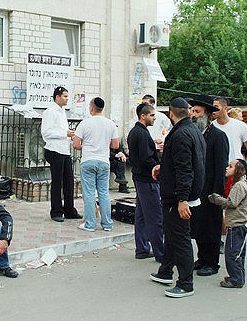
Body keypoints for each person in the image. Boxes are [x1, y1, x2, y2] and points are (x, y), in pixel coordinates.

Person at [149, 97, 206, 298]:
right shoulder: (193, 131)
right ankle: (165, 271)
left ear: (171, 114)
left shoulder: (182, 134)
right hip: (182, 193)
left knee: (180, 238)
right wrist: (162, 168)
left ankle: (185, 283)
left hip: (179, 197)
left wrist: (182, 199)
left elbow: (185, 169)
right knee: (172, 235)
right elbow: (180, 163)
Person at [188, 96, 229, 276]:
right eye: (193, 111)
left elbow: (220, 167)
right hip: (197, 189)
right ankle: (202, 258)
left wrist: (217, 193)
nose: (193, 115)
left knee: (211, 226)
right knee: (199, 226)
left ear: (208, 115)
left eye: (197, 112)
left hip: (211, 190)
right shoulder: (195, 134)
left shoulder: (218, 136)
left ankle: (212, 263)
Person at [73, 97, 120, 232]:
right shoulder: (110, 124)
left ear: (92, 107)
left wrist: (87, 147)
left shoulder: (84, 123)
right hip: (104, 162)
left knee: (89, 194)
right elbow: (115, 145)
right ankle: (107, 224)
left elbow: (76, 144)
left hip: (88, 160)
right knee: (104, 193)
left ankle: (90, 224)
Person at [127, 103, 163, 261]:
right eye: (152, 115)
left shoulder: (138, 132)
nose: (154, 118)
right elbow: (145, 158)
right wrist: (157, 166)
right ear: (143, 116)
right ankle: (160, 253)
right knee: (154, 216)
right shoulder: (140, 133)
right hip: (147, 179)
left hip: (140, 177)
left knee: (141, 215)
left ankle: (142, 248)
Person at [209, 159, 247, 288]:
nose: (227, 168)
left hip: (237, 225)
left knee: (232, 253)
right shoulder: (238, 184)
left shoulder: (239, 185)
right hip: (238, 224)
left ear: (238, 170)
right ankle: (238, 275)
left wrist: (217, 199)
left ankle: (236, 279)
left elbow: (231, 203)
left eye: (231, 166)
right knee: (238, 253)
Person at [41, 86, 81, 223]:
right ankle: (56, 211)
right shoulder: (50, 112)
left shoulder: (62, 111)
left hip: (64, 150)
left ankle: (69, 210)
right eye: (64, 96)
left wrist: (69, 134)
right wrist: (65, 133)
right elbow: (46, 133)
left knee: (69, 181)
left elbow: (60, 130)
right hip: (54, 150)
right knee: (57, 182)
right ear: (57, 97)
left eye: (67, 96)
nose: (67, 99)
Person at [211, 97, 247, 186]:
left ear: (225, 108)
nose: (213, 110)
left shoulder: (240, 125)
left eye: (216, 106)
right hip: (218, 171)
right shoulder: (210, 126)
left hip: (237, 170)